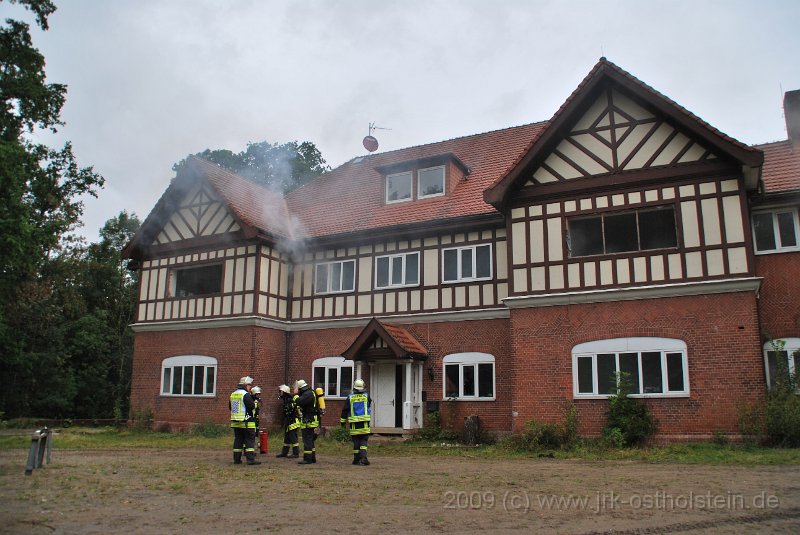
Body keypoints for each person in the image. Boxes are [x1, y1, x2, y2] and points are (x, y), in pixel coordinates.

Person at [229, 376, 261, 465]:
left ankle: (237, 460)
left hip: (236, 422)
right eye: (249, 385)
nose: (250, 387)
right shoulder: (245, 394)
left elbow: (231, 407)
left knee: (238, 441)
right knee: (249, 441)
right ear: (245, 385)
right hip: (247, 422)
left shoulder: (233, 394)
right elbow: (251, 407)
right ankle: (250, 460)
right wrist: (255, 404)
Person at [340, 378, 372, 465]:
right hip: (365, 423)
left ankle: (356, 460)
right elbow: (369, 404)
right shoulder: (366, 396)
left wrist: (342, 423)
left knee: (356, 441)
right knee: (364, 440)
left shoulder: (350, 397)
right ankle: (364, 457)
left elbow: (345, 410)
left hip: (354, 424)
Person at [294, 379, 319, 465]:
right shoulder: (310, 392)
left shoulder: (307, 394)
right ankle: (312, 458)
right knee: (310, 440)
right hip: (311, 419)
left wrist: (295, 395)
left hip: (309, 420)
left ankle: (308, 459)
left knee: (307, 440)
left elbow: (299, 402)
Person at [275, 384, 300, 458]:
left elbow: (291, 411)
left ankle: (296, 453)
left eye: (281, 392)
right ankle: (284, 453)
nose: (280, 393)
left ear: (285, 392)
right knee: (287, 438)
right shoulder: (286, 400)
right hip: (288, 421)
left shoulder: (290, 400)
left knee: (293, 437)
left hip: (292, 421)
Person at [250, 386, 263, 453]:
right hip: (252, 420)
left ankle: (254, 449)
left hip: (256, 420)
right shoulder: (251, 401)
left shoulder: (256, 401)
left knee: (255, 435)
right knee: (252, 435)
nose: (258, 396)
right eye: (257, 394)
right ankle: (249, 450)